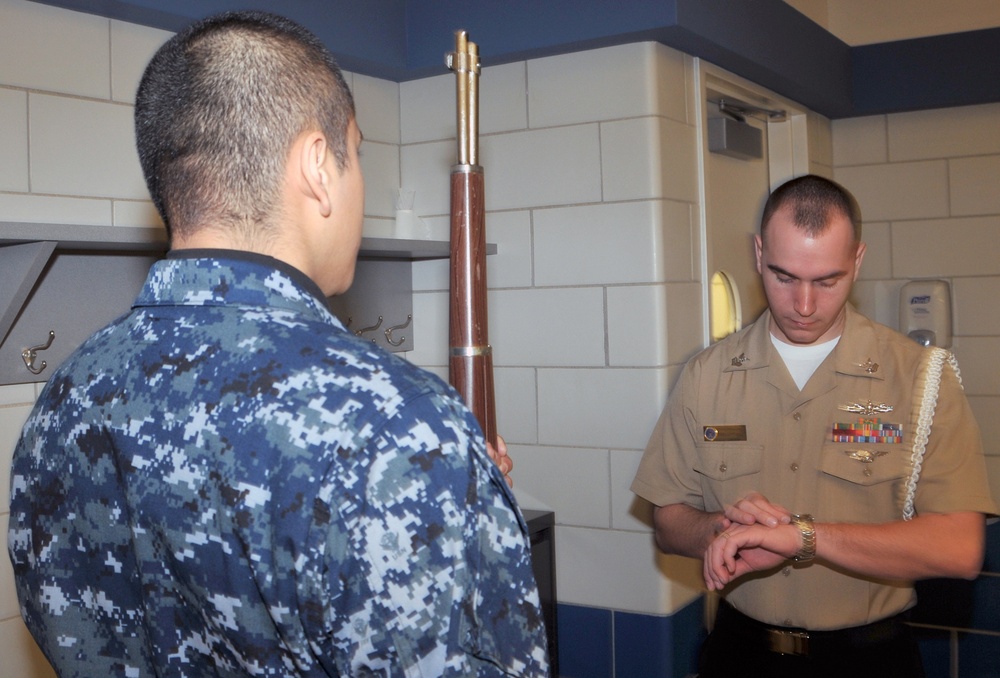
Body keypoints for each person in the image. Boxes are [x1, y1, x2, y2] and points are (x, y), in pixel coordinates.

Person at [7, 11, 547, 676]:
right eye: (358, 156)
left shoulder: (64, 401)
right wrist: (444, 477)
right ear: (319, 166)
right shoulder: (392, 422)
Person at [631, 174, 996, 677]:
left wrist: (804, 538)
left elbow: (960, 548)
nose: (804, 305)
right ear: (759, 254)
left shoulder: (918, 378)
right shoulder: (707, 374)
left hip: (867, 659)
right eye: (784, 276)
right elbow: (668, 519)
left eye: (827, 281)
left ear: (858, 262)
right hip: (741, 652)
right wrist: (723, 530)